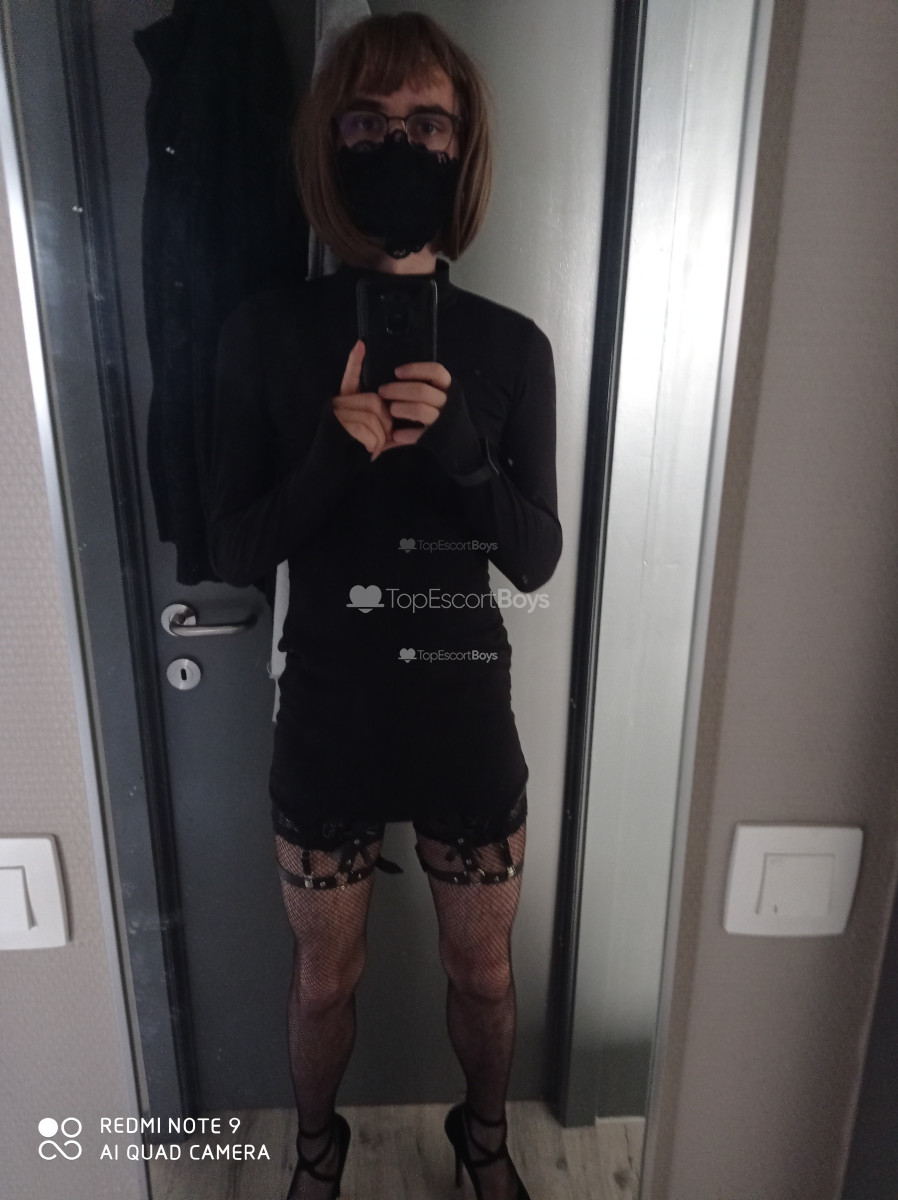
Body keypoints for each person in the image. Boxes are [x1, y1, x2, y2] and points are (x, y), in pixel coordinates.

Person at [208, 13, 561, 1200]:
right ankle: (318, 1151)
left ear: (463, 147)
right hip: (329, 709)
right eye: (365, 122)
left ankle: (484, 1141)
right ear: (328, 141)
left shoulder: (510, 349)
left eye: (427, 124)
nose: (397, 144)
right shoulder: (262, 335)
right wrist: (326, 461)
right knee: (323, 982)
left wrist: (463, 458)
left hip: (464, 709)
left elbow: (537, 558)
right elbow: (232, 548)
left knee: (485, 976)